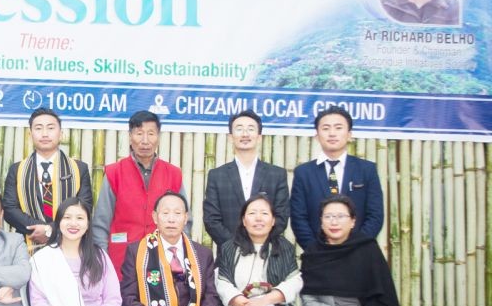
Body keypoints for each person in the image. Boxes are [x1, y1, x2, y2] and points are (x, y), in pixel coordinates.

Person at [93, 110, 188, 278]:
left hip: (163, 261)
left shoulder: (173, 174)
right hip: (120, 263)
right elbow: (101, 223)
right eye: (139, 133)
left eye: (151, 133)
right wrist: (103, 261)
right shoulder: (114, 173)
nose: (145, 140)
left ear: (158, 137)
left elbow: (185, 222)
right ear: (130, 137)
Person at [290, 105, 384, 251]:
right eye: (326, 128)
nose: (332, 133)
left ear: (349, 134)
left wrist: (356, 247)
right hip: (318, 256)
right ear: (317, 135)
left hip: (358, 253)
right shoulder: (303, 172)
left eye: (338, 128)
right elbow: (298, 217)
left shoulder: (366, 170)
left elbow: (375, 215)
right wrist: (315, 249)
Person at [4, 108, 92, 249]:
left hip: (70, 246)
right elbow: (9, 210)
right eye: (38, 128)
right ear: (30, 134)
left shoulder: (79, 169)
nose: (45, 134)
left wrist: (49, 230)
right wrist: (39, 229)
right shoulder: (17, 170)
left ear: (61, 134)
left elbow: (85, 207)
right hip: (26, 247)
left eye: (50, 128)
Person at [203, 110, 289, 250]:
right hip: (229, 255)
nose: (245, 134)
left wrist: (258, 244)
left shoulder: (277, 175)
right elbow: (211, 220)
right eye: (239, 129)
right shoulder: (216, 175)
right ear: (230, 137)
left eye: (250, 129)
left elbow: (281, 217)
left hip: (266, 254)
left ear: (259, 137)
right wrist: (235, 247)